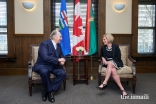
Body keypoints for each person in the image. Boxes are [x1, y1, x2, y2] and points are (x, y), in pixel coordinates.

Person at [32, 30, 66, 103]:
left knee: (62, 73)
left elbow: (62, 55)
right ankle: (50, 93)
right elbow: (45, 57)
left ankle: (46, 90)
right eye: (60, 36)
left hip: (53, 66)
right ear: (54, 37)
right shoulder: (44, 44)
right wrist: (58, 60)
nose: (61, 38)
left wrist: (63, 60)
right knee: (44, 72)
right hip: (42, 65)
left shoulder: (58, 45)